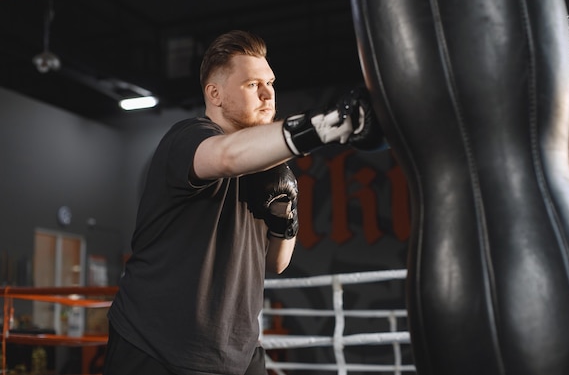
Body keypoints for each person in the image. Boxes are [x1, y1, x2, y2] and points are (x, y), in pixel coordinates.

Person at [103, 29, 381, 375]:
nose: (267, 94)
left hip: (237, 352)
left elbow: (277, 261)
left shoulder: (268, 165)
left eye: (270, 83)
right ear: (215, 94)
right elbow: (227, 157)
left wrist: (286, 218)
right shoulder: (187, 138)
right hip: (155, 346)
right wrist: (325, 127)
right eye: (252, 85)